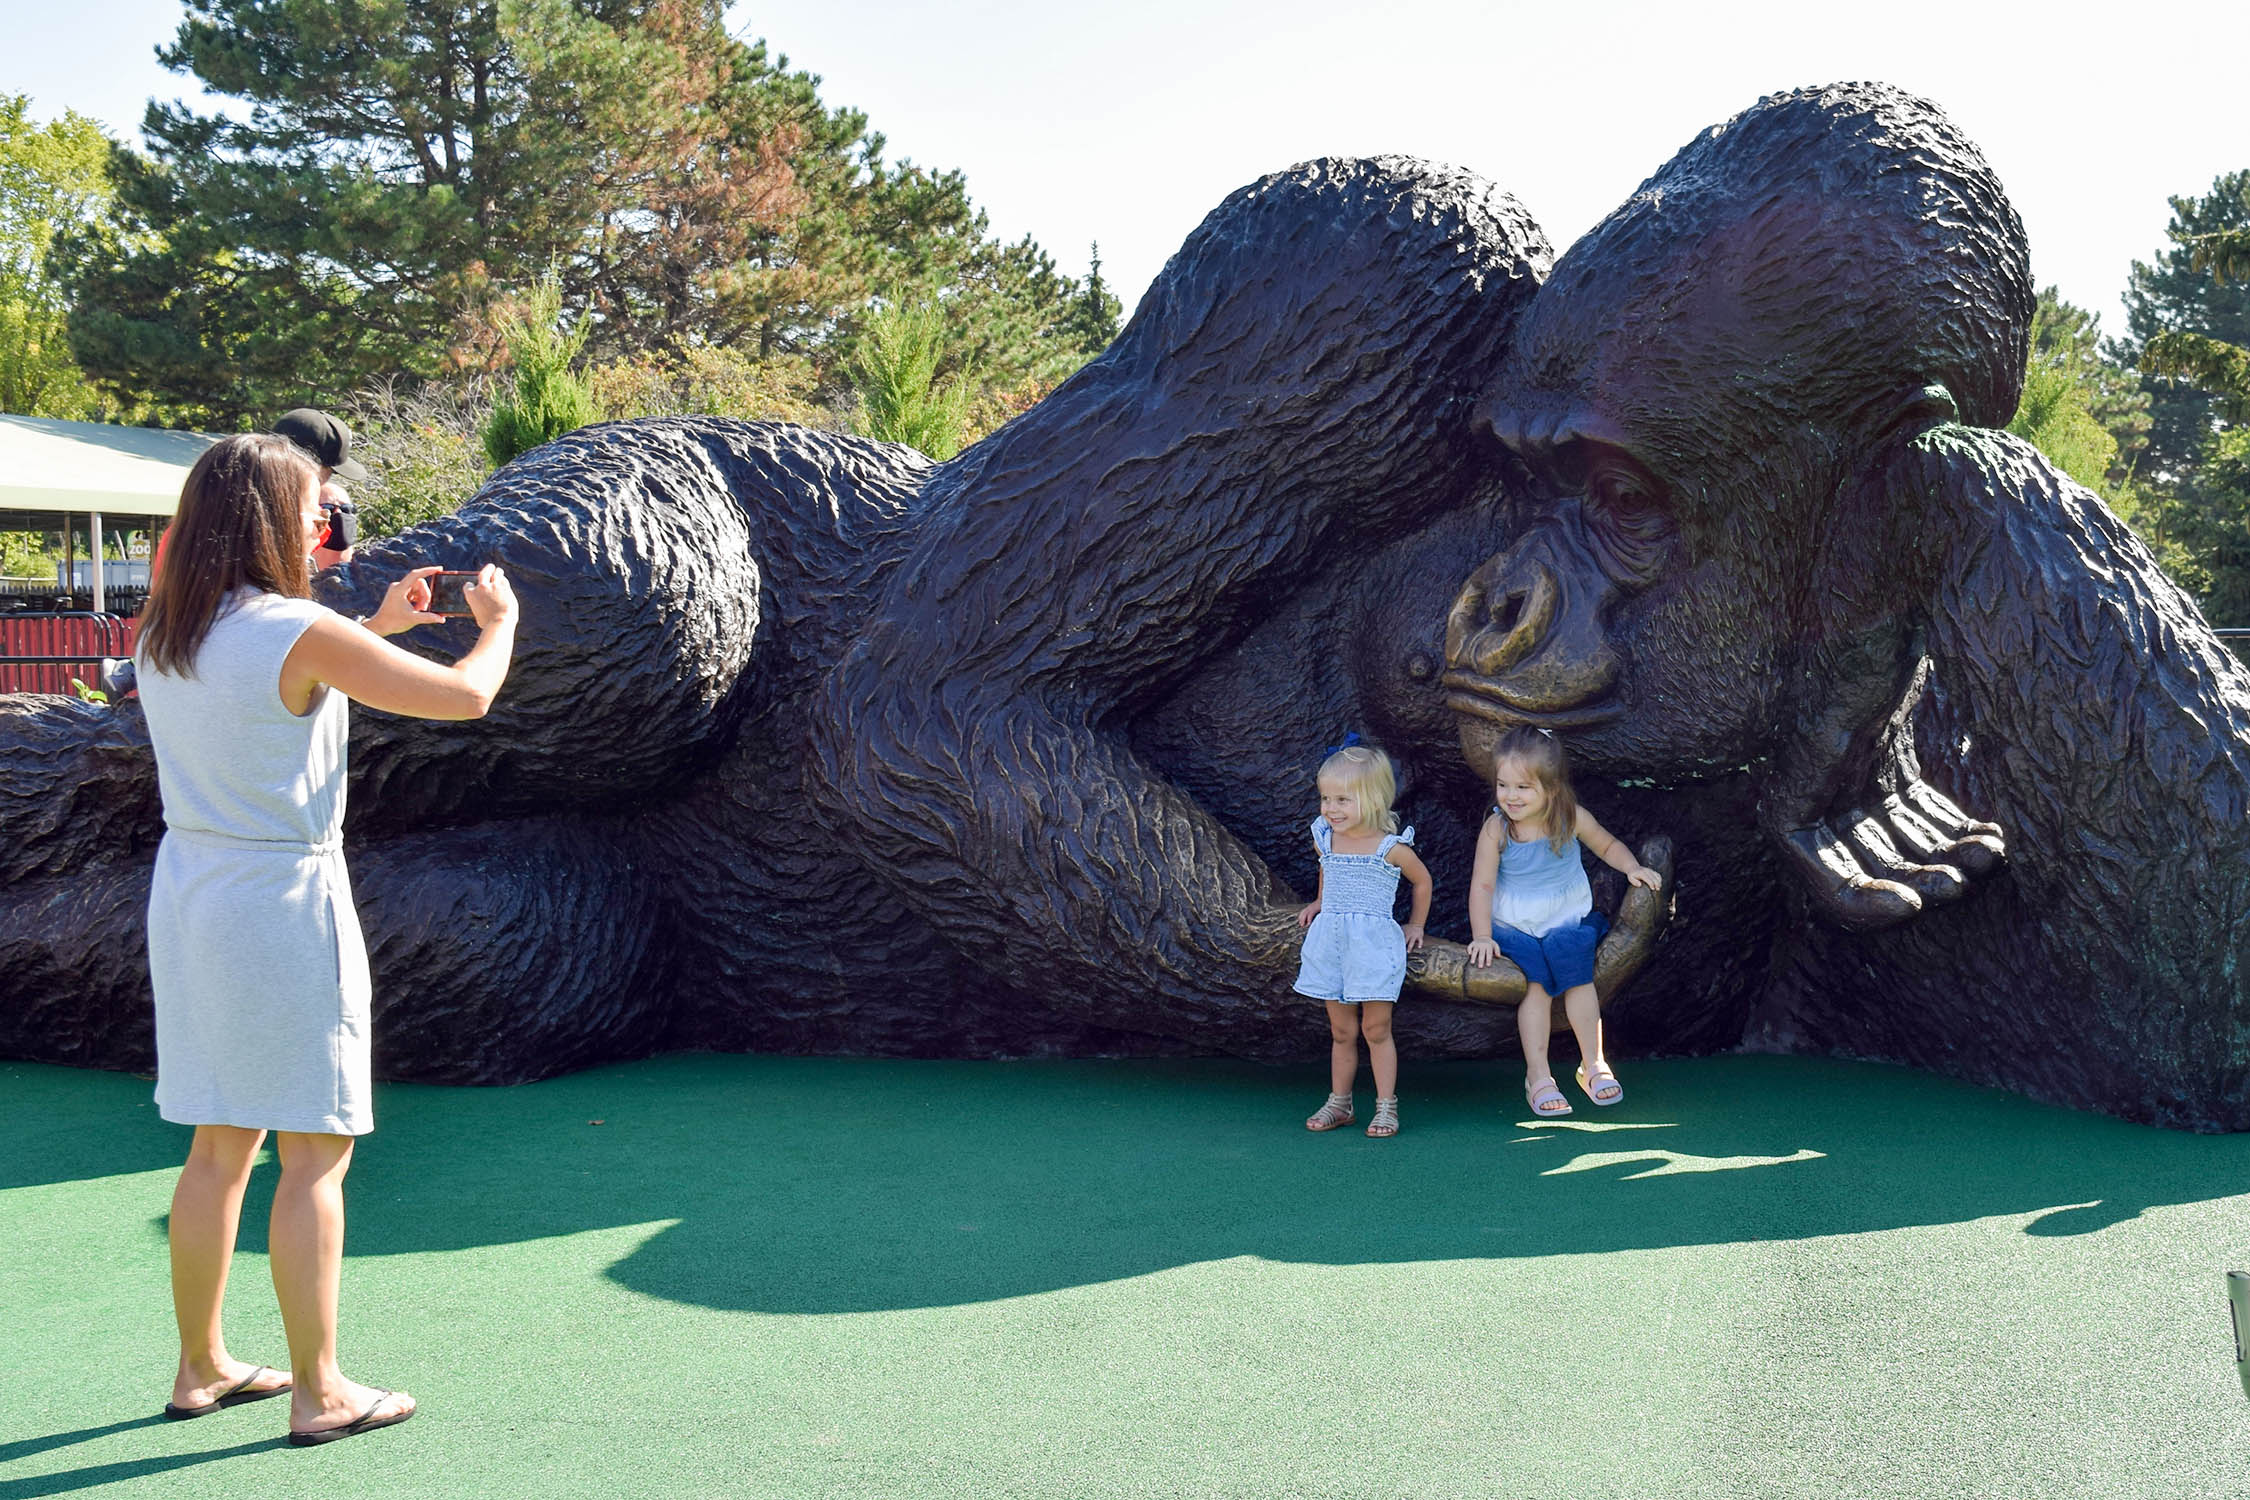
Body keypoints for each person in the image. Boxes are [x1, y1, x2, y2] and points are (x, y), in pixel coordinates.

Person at [134, 432, 518, 1445]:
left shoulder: (170, 633)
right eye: (316, 506)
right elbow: (468, 696)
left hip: (192, 896)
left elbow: (275, 681)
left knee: (220, 1144)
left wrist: (375, 624)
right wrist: (499, 623)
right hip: (281, 901)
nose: (327, 522)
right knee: (315, 1154)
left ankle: (203, 1364)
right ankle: (320, 1392)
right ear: (273, 520)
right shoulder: (298, 631)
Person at [1466, 726, 1662, 1118]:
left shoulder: (1571, 817)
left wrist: (1632, 867)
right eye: (1504, 785)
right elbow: (1482, 885)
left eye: (1523, 787)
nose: (1510, 796)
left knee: (1579, 982)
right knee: (1535, 989)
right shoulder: (1497, 828)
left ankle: (1593, 1064)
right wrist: (1482, 936)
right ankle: (1538, 1076)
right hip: (1515, 925)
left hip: (1565, 919)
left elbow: (1606, 844)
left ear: (1552, 789)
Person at [1294, 743, 1431, 1138]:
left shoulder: (1391, 848)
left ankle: (1386, 1106)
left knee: (1376, 1029)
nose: (1330, 808)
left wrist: (1416, 924)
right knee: (1341, 1031)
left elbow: (1422, 882)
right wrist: (1321, 900)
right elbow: (1327, 870)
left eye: (1342, 800)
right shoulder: (1326, 839)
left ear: (1371, 799)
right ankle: (1340, 1102)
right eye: (1325, 798)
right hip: (1332, 943)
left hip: (1372, 948)